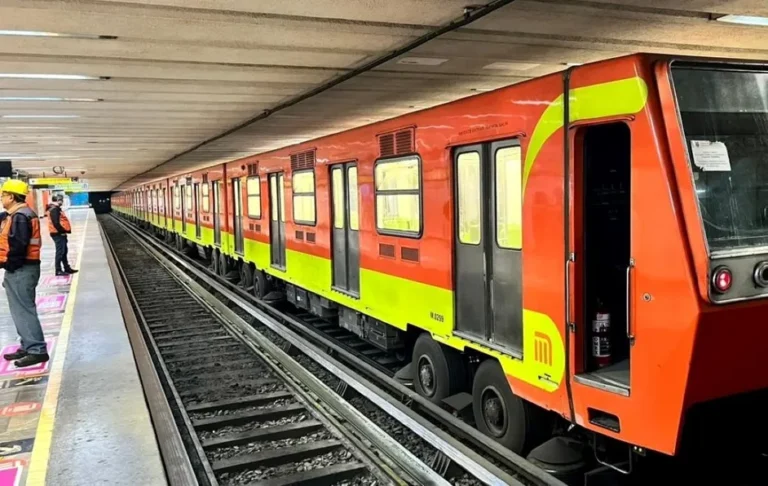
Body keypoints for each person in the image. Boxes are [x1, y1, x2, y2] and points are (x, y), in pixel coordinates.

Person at [0, 179, 49, 367]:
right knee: (18, 310)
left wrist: (8, 264)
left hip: (21, 269)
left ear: (11, 197)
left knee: (24, 309)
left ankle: (37, 350)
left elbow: (18, 245)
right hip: (22, 269)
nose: (2, 198)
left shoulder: (20, 216)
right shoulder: (17, 214)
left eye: (3, 195)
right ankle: (27, 345)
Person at [46, 194, 78, 276]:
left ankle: (67, 268)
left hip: (59, 233)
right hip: (58, 234)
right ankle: (58, 270)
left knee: (64, 251)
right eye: (61, 200)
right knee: (60, 252)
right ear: (57, 200)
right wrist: (62, 231)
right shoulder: (54, 209)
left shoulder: (55, 209)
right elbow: (56, 223)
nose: (62, 201)